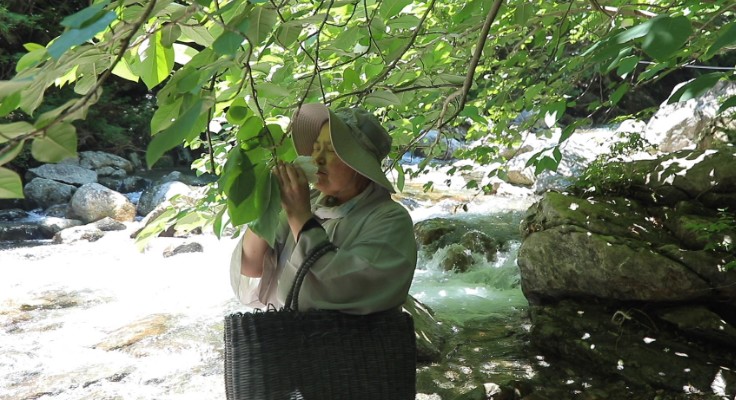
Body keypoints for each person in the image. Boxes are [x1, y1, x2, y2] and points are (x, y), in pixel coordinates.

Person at [229, 103, 417, 315]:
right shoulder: (307, 201)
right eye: (316, 148)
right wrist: (268, 203)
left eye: (330, 150)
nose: (316, 158)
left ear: (359, 165)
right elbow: (251, 266)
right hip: (283, 340)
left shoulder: (390, 219)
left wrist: (300, 216)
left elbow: (337, 289)